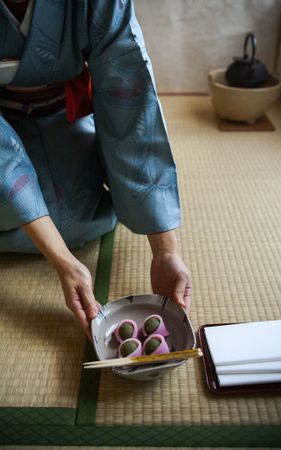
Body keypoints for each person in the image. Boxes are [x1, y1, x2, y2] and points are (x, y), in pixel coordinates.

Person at [0, 0, 192, 341]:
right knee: (36, 218)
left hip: (62, 115)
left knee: (77, 215)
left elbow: (129, 98)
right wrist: (63, 261)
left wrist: (165, 251)